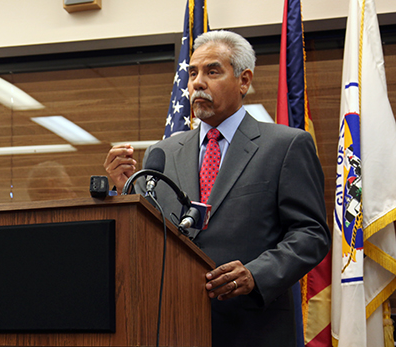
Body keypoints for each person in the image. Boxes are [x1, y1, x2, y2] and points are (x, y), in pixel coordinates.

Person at [104, 30, 330, 347]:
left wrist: (256, 274)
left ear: (244, 80)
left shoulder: (286, 145)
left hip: (253, 328)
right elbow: (154, 234)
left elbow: (311, 233)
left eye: (212, 71)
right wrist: (126, 191)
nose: (197, 82)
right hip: (173, 326)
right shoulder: (163, 152)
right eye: (193, 73)